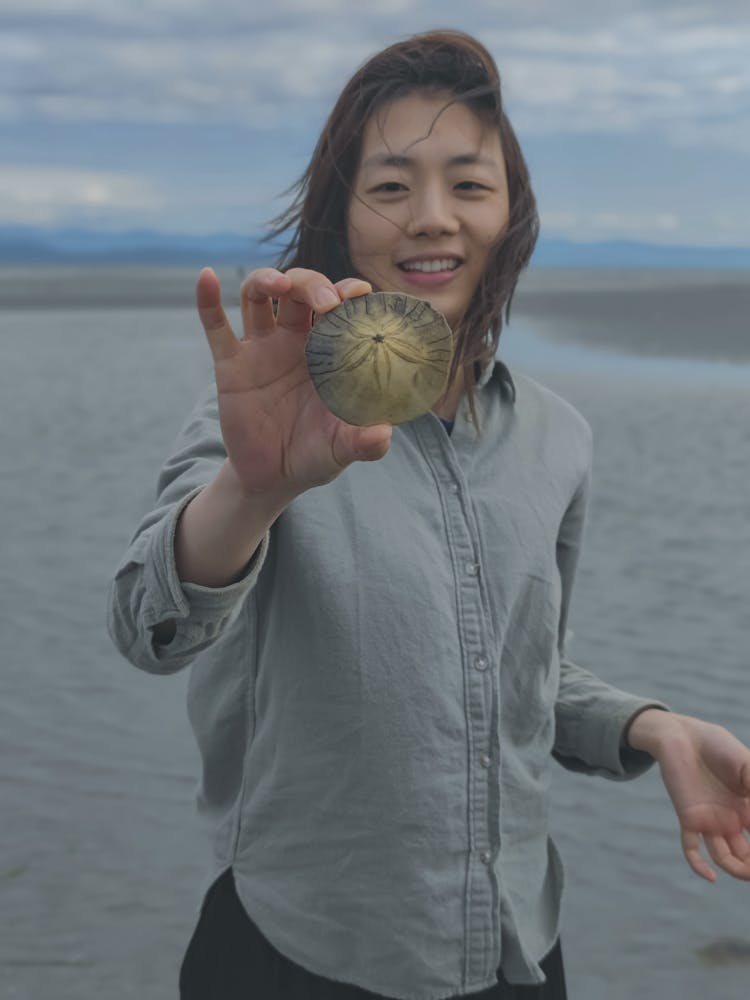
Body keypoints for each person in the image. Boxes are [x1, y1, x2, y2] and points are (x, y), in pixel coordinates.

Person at [107, 29, 750, 1000]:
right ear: (344, 215)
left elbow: (512, 665)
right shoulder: (267, 430)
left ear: (510, 216)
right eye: (394, 185)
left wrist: (648, 727)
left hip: (516, 953)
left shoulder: (557, 438)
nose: (432, 218)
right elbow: (147, 627)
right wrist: (258, 487)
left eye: (470, 184)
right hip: (303, 954)